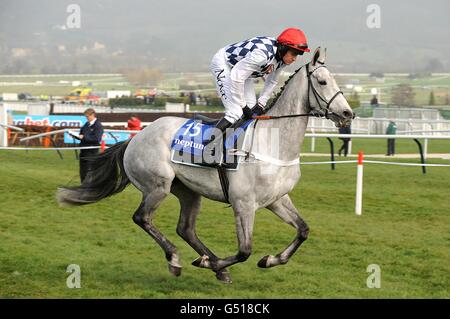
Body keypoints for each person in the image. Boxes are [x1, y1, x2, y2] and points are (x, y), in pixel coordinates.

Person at [205, 27, 310, 156]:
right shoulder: (261, 55)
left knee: (252, 109)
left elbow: (272, 81)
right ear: (283, 48)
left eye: (298, 55)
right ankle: (207, 147)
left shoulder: (281, 59)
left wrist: (261, 103)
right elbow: (237, 77)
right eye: (293, 53)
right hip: (225, 65)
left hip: (244, 72)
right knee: (235, 112)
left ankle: (233, 144)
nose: (295, 59)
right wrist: (242, 106)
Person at [70, 108, 104, 182]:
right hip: (83, 151)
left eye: (87, 116)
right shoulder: (86, 124)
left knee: (90, 171)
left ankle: (89, 187)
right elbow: (81, 135)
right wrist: (76, 136)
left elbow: (97, 139)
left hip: (91, 152)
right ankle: (83, 186)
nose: (86, 118)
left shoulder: (98, 125)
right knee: (83, 171)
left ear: (93, 115)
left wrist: (84, 137)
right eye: (86, 116)